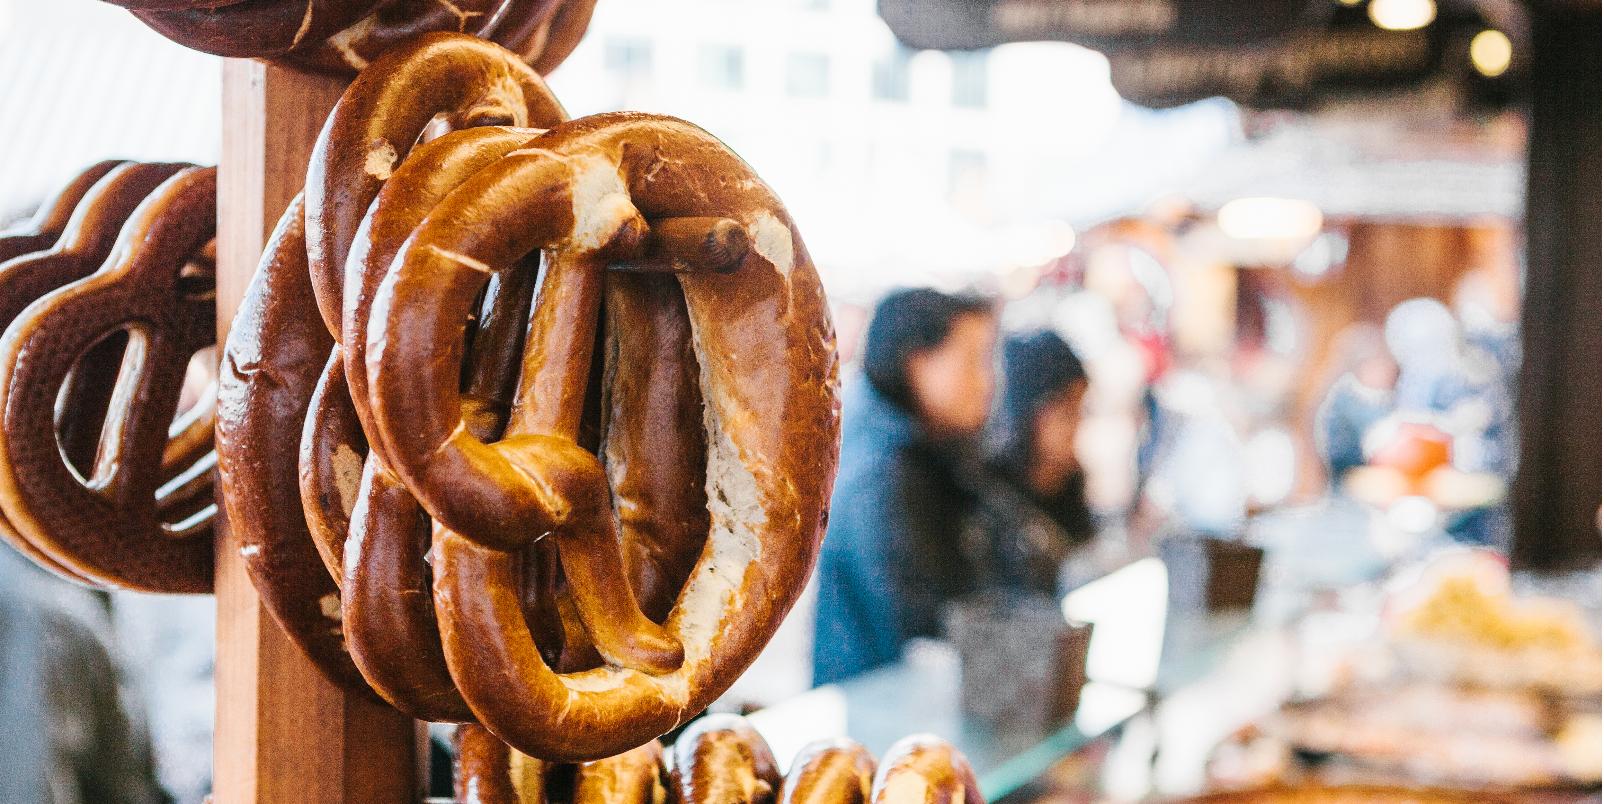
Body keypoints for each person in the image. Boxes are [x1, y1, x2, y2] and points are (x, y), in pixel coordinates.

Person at [812, 288, 997, 686]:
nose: (988, 382)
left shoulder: (932, 452)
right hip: (875, 719)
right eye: (972, 361)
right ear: (916, 363)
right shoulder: (881, 476)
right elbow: (921, 630)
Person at [972, 330, 1096, 596]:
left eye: (1080, 410)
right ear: (1028, 415)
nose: (1077, 425)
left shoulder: (1070, 485)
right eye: (1065, 412)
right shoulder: (988, 495)